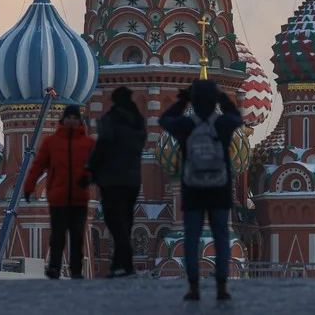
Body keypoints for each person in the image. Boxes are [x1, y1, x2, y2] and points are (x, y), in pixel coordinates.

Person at [159, 79, 243, 301]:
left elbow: (164, 119)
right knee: (222, 237)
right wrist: (223, 98)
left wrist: (183, 100)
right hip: (219, 188)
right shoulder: (222, 125)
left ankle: (194, 286)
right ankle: (222, 287)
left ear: (194, 102)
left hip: (193, 188)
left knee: (192, 237)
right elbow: (237, 118)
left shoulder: (187, 126)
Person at [23, 103, 96, 279]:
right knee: (57, 236)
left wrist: (90, 177)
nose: (72, 120)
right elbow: (38, 166)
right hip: (59, 197)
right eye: (69, 117)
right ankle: (54, 267)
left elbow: (98, 164)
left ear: (79, 120)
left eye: (75, 117)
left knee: (77, 236)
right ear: (63, 119)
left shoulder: (89, 143)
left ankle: (76, 270)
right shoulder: (51, 142)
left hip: (79, 197)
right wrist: (29, 186)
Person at [86, 85, 147, 278]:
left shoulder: (110, 121)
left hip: (112, 179)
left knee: (114, 221)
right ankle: (117, 265)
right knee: (126, 222)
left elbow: (103, 147)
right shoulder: (138, 123)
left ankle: (125, 263)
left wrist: (91, 170)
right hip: (133, 179)